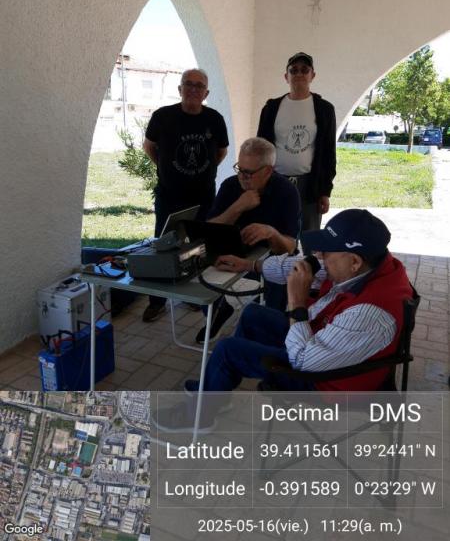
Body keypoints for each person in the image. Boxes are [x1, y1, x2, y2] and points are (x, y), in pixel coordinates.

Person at [152, 209, 413, 432]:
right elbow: (305, 266)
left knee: (228, 350)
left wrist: (296, 303)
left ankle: (199, 417)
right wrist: (250, 266)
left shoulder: (371, 314)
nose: (319, 255)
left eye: (326, 252)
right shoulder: (372, 265)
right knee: (253, 315)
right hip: (324, 340)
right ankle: (216, 389)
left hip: (326, 380)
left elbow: (303, 362)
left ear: (354, 261)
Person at [142, 68, 229, 322]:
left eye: (199, 86)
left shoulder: (215, 119)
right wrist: (165, 168)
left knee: (198, 246)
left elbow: (221, 152)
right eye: (188, 84)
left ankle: (192, 295)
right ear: (180, 89)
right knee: (163, 245)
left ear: (206, 93)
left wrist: (201, 172)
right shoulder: (163, 116)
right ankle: (157, 300)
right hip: (169, 196)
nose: (193, 89)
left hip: (203, 196)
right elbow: (149, 147)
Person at [194, 137, 300, 343]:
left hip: (270, 255)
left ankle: (267, 332)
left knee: (277, 280)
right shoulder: (230, 186)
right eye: (239, 169)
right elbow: (209, 230)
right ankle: (217, 312)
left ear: (268, 171)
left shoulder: (286, 191)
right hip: (233, 249)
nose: (242, 177)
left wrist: (271, 233)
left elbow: (289, 247)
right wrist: (238, 207)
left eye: (248, 173)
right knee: (200, 268)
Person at [257, 52, 336, 235]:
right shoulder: (271, 108)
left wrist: (325, 191)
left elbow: (328, 153)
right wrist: (258, 184)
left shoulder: (324, 109)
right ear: (286, 76)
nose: (299, 74)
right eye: (294, 70)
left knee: (309, 237)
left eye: (304, 70)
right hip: (275, 182)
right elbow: (260, 148)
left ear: (312, 75)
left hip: (309, 185)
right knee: (275, 234)